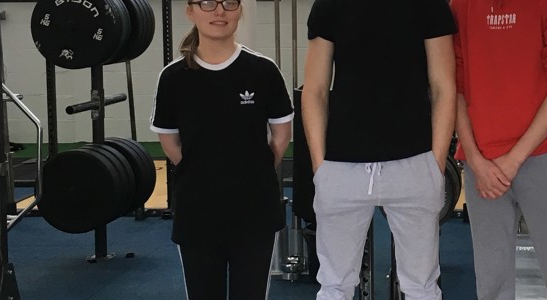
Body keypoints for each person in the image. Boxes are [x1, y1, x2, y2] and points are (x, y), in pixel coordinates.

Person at [300, 0, 457, 298]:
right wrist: (320, 166)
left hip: (415, 161)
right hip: (341, 165)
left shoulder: (430, 5)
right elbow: (315, 89)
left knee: (421, 286)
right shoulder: (329, 5)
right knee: (335, 285)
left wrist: (435, 162)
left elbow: (443, 86)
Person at [150, 0, 294, 298]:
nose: (219, 11)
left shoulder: (263, 70)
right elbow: (170, 142)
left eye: (229, 3)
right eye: (207, 3)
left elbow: (281, 136)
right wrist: (203, 172)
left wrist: (253, 171)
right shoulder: (174, 77)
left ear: (239, 11)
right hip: (198, 212)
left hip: (254, 211)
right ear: (191, 12)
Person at [450, 0, 547, 298]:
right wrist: (473, 157)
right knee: (491, 281)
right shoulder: (461, 5)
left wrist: (514, 159)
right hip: (482, 161)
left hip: (545, 152)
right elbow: (454, 85)